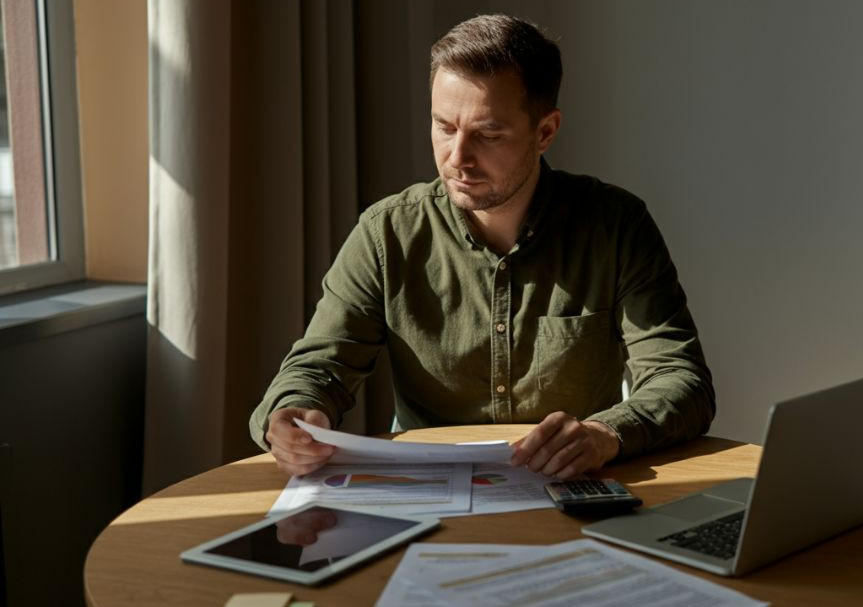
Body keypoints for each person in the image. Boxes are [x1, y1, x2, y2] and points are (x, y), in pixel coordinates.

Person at [249, 14, 715, 480]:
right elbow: (318, 365)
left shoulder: (615, 226)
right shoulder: (386, 233)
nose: (458, 158)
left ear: (546, 132)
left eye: (488, 135)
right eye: (444, 127)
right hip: (426, 495)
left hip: (571, 490)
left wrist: (604, 433)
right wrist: (296, 411)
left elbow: (681, 380)